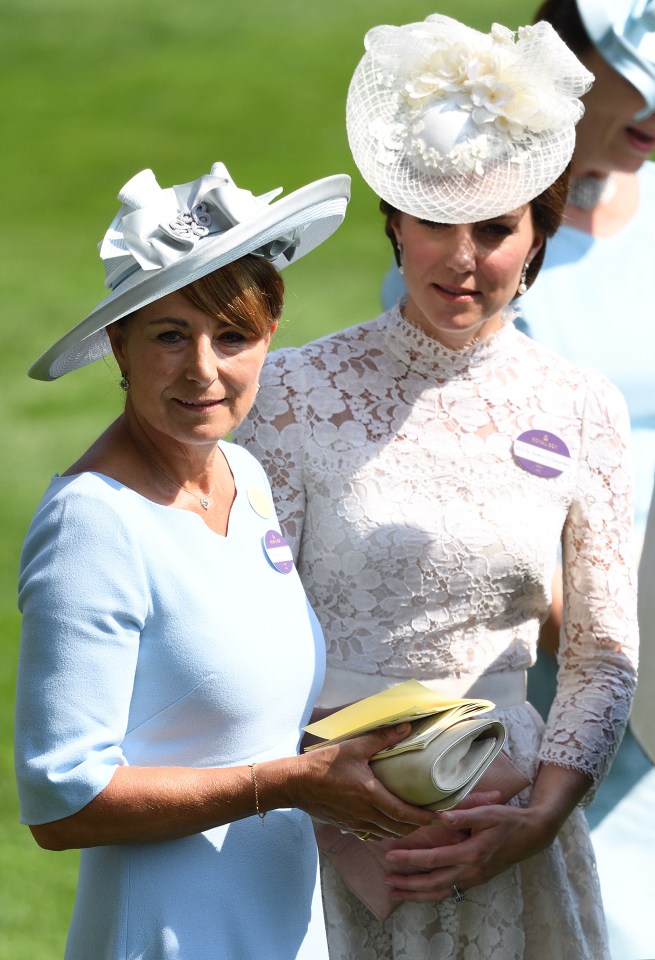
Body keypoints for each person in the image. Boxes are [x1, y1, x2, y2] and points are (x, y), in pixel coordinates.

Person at [234, 15, 638, 960]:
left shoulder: (581, 405)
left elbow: (602, 652)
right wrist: (322, 787)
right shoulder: (294, 389)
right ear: (395, 223)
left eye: (494, 229)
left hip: (504, 829)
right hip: (316, 817)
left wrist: (539, 816)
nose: (461, 259)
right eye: (435, 225)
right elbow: (247, 628)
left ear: (538, 233)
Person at [13, 161, 438, 960]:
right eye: (171, 335)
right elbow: (60, 803)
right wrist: (285, 785)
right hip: (168, 933)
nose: (204, 370)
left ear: (269, 336)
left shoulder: (241, 474)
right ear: (120, 343)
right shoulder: (92, 525)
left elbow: (237, 711)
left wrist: (376, 751)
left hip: (281, 922)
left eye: (232, 336)